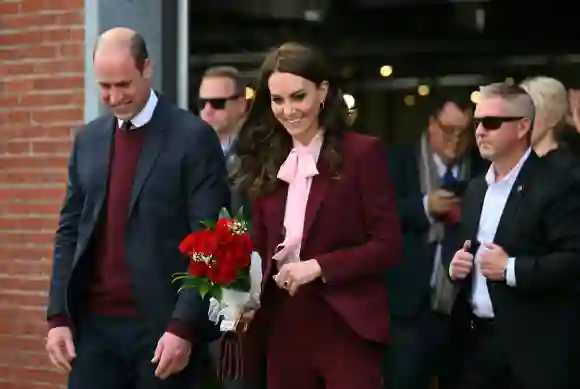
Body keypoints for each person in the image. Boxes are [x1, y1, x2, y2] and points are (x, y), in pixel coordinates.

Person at [44, 27, 230, 389]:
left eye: (123, 84)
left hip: (163, 331)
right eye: (105, 86)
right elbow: (70, 231)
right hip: (93, 332)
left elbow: (214, 241)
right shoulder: (88, 140)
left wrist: (183, 326)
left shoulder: (192, 137)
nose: (113, 97)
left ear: (147, 68)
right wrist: (57, 316)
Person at [231, 42, 403, 389]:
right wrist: (241, 297)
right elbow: (261, 247)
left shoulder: (361, 153)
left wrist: (318, 266)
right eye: (277, 100)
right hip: (283, 323)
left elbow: (388, 246)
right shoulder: (268, 157)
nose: (288, 110)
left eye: (298, 97)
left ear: (323, 91)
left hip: (345, 322)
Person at [449, 82, 580, 389]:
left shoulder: (559, 183)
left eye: (492, 123)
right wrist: (456, 266)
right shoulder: (475, 189)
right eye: (478, 122)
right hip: (476, 346)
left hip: (534, 352)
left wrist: (510, 269)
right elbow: (468, 251)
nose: (480, 131)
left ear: (523, 127)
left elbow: (574, 259)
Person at [385, 95, 487, 389]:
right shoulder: (399, 161)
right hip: (409, 307)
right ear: (431, 125)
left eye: (463, 132)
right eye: (447, 130)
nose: (455, 140)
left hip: (463, 308)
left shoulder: (482, 170)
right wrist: (425, 207)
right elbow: (373, 218)